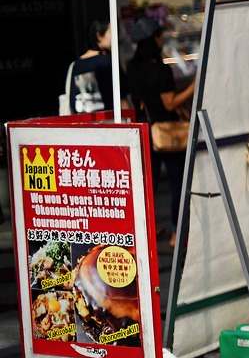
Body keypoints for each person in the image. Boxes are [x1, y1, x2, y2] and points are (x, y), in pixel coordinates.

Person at [128, 17, 195, 248]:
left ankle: (144, 231)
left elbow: (141, 101)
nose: (163, 38)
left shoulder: (131, 67)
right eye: (160, 35)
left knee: (149, 185)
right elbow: (169, 103)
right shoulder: (160, 69)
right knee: (177, 184)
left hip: (145, 131)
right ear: (154, 39)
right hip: (167, 132)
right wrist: (193, 87)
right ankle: (177, 234)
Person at [66, 21, 125, 114]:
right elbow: (122, 98)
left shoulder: (77, 65)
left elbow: (73, 99)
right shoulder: (107, 62)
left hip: (84, 122)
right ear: (99, 36)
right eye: (110, 32)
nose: (114, 37)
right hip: (109, 121)